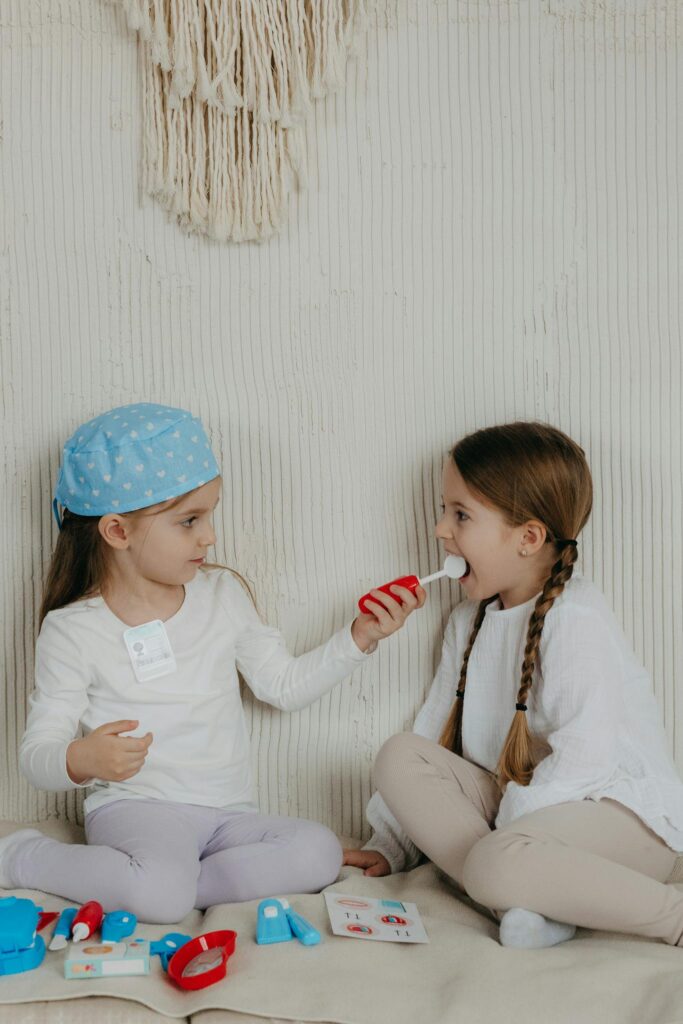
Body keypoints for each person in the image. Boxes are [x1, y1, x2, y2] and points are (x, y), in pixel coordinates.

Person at [0, 402, 423, 923]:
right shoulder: (73, 629)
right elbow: (37, 753)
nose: (210, 537)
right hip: (138, 811)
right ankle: (20, 855)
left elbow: (282, 686)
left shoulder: (222, 595)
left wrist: (358, 638)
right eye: (189, 521)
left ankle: (169, 885)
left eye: (209, 515)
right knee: (161, 891)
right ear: (117, 532)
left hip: (226, 820)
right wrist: (83, 759)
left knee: (317, 850)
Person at [344, 421, 683, 949]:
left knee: (494, 858)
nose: (440, 529)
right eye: (443, 511)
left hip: (621, 818)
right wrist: (390, 844)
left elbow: (586, 758)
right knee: (398, 755)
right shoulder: (467, 622)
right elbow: (434, 732)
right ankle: (527, 900)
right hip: (525, 817)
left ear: (528, 537)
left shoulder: (574, 617)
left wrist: (509, 830)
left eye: (460, 515)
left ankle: (671, 916)